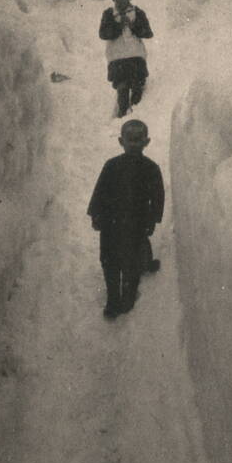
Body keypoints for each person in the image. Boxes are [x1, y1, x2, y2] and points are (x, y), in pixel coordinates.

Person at [88, 119, 164, 320]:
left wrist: (153, 219)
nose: (133, 144)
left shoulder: (151, 169)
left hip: (136, 224)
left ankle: (129, 296)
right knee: (109, 260)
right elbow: (100, 191)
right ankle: (113, 299)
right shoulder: (111, 166)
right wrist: (96, 214)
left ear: (146, 142)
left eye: (138, 140)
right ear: (121, 141)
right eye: (130, 139)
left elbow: (158, 197)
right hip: (110, 224)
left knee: (132, 260)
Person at [99, 0, 154, 118]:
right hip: (117, 59)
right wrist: (118, 26)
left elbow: (148, 33)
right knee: (122, 87)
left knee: (137, 86)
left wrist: (133, 25)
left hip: (136, 57)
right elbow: (103, 34)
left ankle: (136, 114)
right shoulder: (109, 14)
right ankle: (122, 114)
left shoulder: (137, 12)